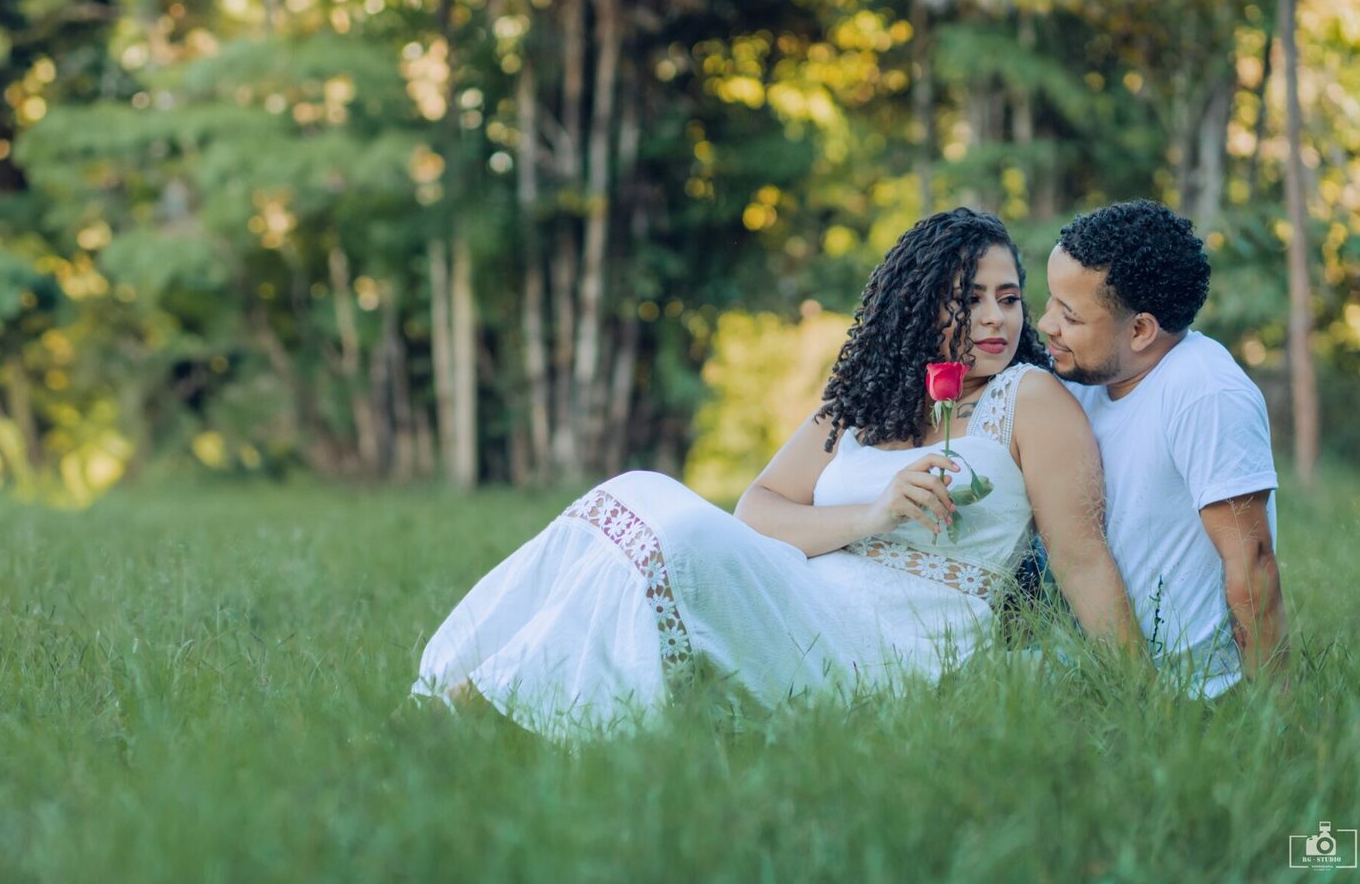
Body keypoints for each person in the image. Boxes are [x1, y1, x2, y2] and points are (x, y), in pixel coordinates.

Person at [412, 208, 1142, 741]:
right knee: (630, 492)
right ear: (918, 307)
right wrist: (873, 514)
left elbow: (1082, 562)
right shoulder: (862, 405)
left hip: (892, 646)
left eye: (1009, 298)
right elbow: (757, 509)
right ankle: (463, 697)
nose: (995, 319)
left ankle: (492, 716)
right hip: (802, 599)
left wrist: (1142, 700)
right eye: (969, 298)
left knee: (682, 532)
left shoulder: (1029, 400)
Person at [1037, 200, 1286, 698]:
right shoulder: (1078, 375)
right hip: (1094, 674)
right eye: (1049, 302)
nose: (1047, 324)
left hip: (1196, 694)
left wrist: (1276, 720)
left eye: (1069, 314)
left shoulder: (1205, 393)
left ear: (1141, 330)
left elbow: (1252, 566)